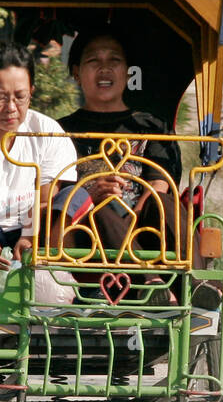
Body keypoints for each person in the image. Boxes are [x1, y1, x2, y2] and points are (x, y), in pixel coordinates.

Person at [0, 42, 89, 278]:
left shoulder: (48, 131)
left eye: (20, 97)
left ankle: (59, 280)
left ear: (31, 92)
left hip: (34, 226)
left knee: (75, 196)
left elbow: (46, 199)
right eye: (0, 98)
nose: (11, 108)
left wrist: (28, 235)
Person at [58, 26, 185, 269]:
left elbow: (159, 184)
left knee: (164, 202)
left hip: (146, 228)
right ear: (76, 72)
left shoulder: (153, 126)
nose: (104, 68)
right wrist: (92, 194)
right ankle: (151, 284)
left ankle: (201, 286)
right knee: (103, 210)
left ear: (128, 72)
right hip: (87, 231)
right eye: (94, 60)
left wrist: (133, 217)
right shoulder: (58, 130)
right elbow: (57, 195)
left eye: (114, 60)